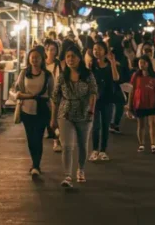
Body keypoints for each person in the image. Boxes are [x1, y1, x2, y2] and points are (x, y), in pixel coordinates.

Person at [50, 46, 97, 188]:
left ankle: (81, 170)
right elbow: (55, 97)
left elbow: (94, 92)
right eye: (68, 56)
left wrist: (91, 111)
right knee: (67, 146)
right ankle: (67, 176)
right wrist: (53, 118)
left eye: (73, 56)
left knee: (82, 145)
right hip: (65, 113)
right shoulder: (62, 76)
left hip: (84, 113)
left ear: (79, 58)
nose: (70, 59)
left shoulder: (88, 75)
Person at [13, 46, 54, 177]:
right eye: (32, 57)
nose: (34, 59)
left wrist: (54, 113)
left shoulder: (47, 75)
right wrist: (21, 95)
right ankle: (34, 162)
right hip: (26, 110)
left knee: (38, 137)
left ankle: (36, 165)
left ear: (42, 59)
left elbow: (52, 93)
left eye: (37, 57)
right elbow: (17, 89)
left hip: (42, 110)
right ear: (29, 59)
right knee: (31, 138)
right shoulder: (24, 73)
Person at [88, 41, 120, 161]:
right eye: (95, 49)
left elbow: (116, 78)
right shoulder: (92, 64)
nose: (96, 51)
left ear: (105, 51)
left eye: (99, 49)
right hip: (95, 99)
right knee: (96, 125)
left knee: (105, 125)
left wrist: (112, 63)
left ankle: (103, 151)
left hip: (108, 98)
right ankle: (95, 150)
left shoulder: (109, 64)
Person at [130, 55, 155, 153]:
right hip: (139, 102)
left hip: (152, 102)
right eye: (140, 63)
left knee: (153, 123)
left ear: (148, 63)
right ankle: (141, 144)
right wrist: (129, 105)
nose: (141, 65)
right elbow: (132, 90)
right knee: (141, 124)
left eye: (144, 63)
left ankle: (153, 144)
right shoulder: (136, 76)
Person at [43, 39, 63, 152]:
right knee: (48, 118)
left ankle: (57, 140)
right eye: (49, 49)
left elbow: (60, 80)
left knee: (56, 118)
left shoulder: (58, 64)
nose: (50, 52)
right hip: (44, 95)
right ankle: (51, 133)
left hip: (56, 95)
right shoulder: (42, 64)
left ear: (56, 51)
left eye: (53, 50)